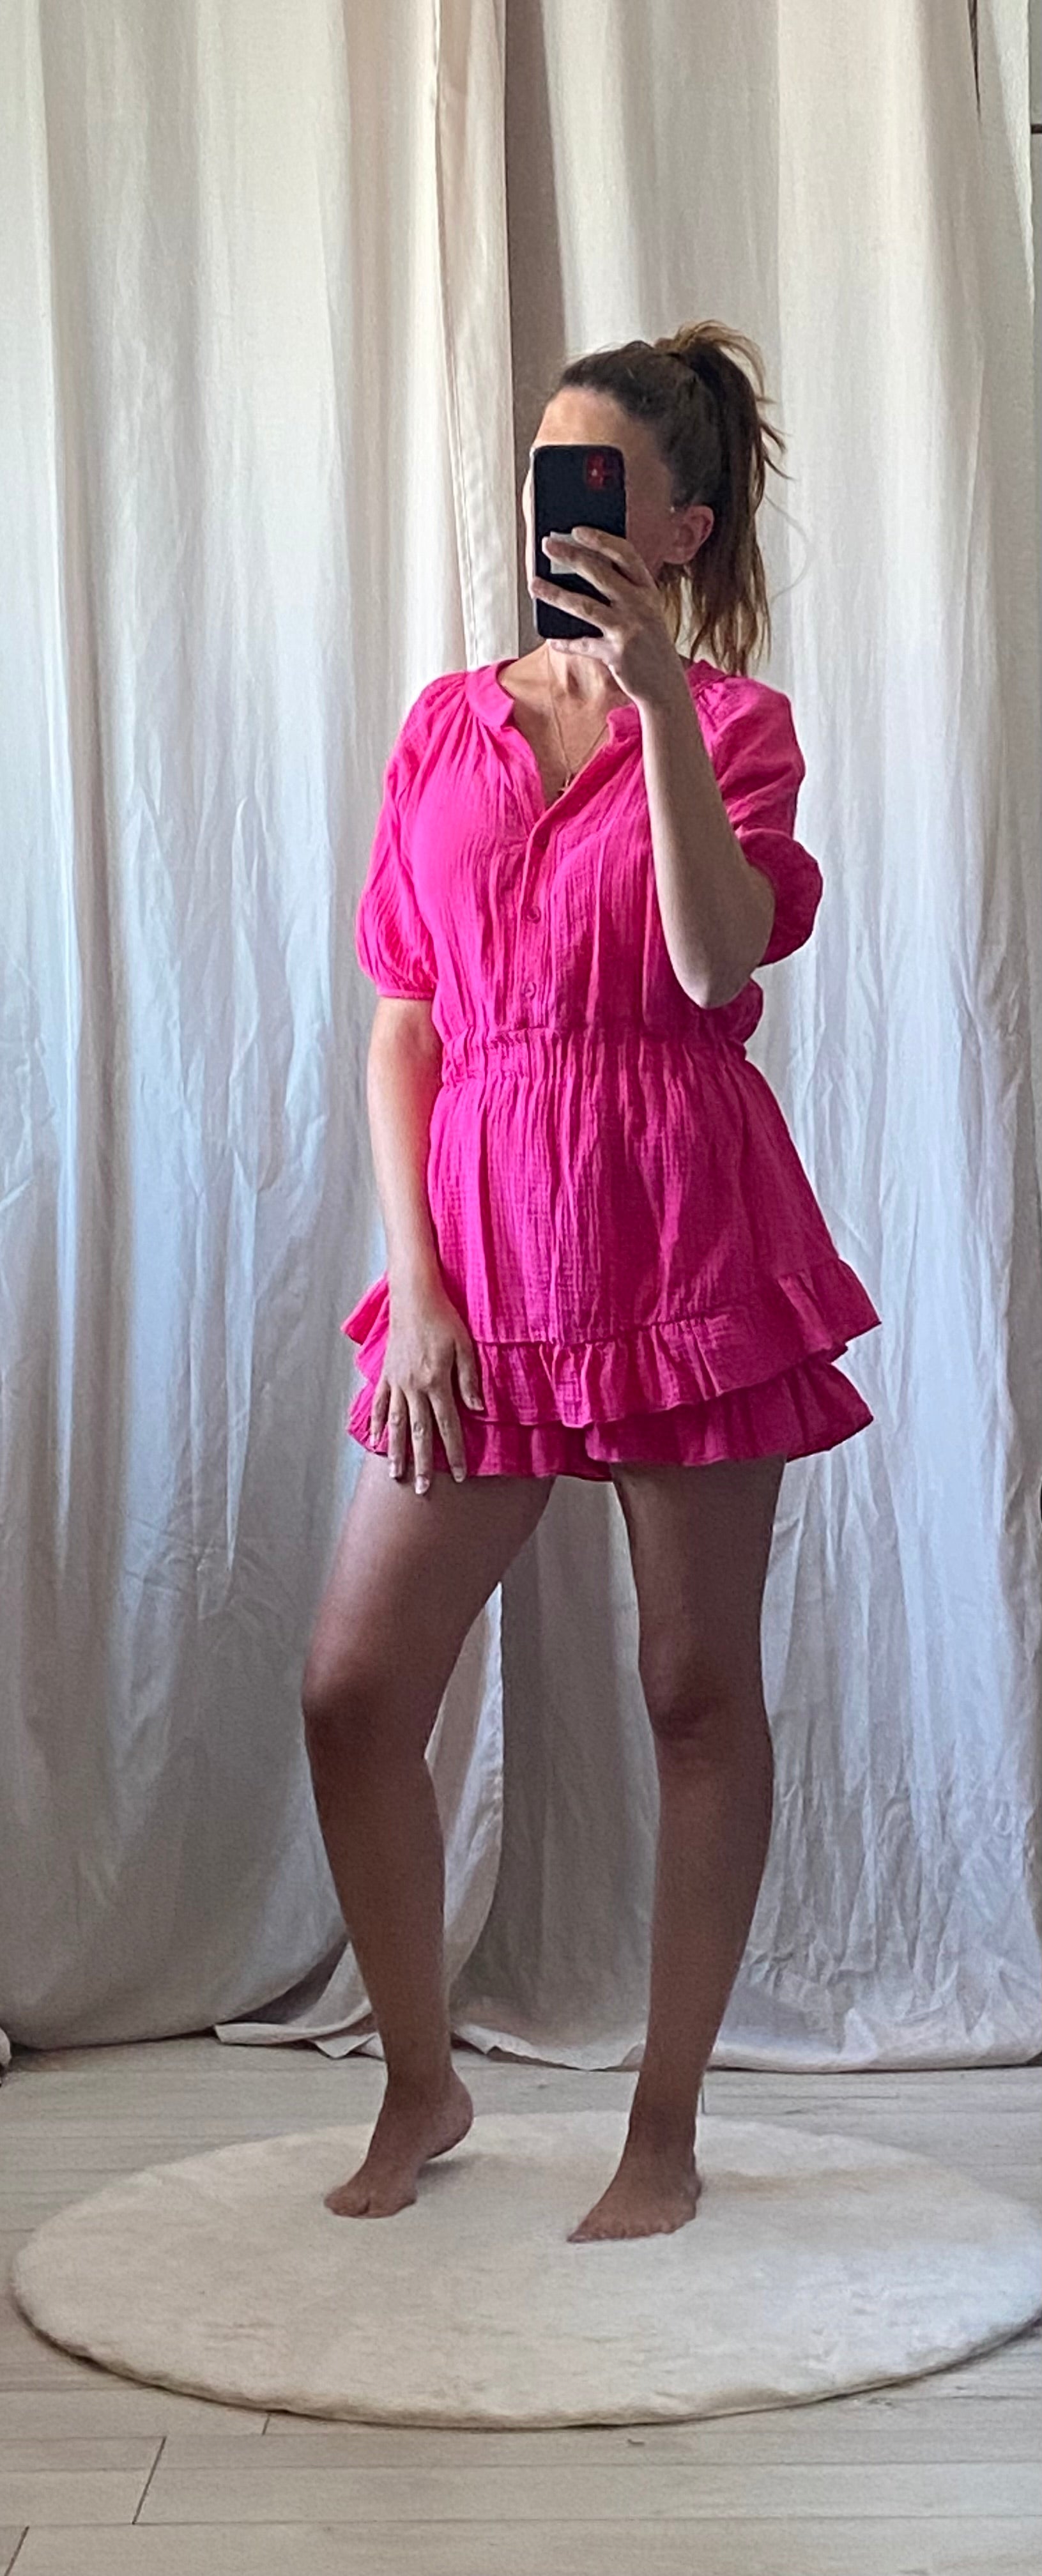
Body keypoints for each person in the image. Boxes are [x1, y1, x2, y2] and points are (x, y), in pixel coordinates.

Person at [301, 324, 882, 2242]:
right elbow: (406, 1018)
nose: (560, 506)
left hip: (687, 1233)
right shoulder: (445, 725)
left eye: (600, 479)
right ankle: (423, 2079)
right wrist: (420, 1286)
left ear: (683, 526)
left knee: (695, 1689)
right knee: (355, 1691)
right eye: (548, 468)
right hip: (479, 1250)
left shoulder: (742, 730)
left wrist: (657, 714)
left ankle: (666, 2122)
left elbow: (718, 968)